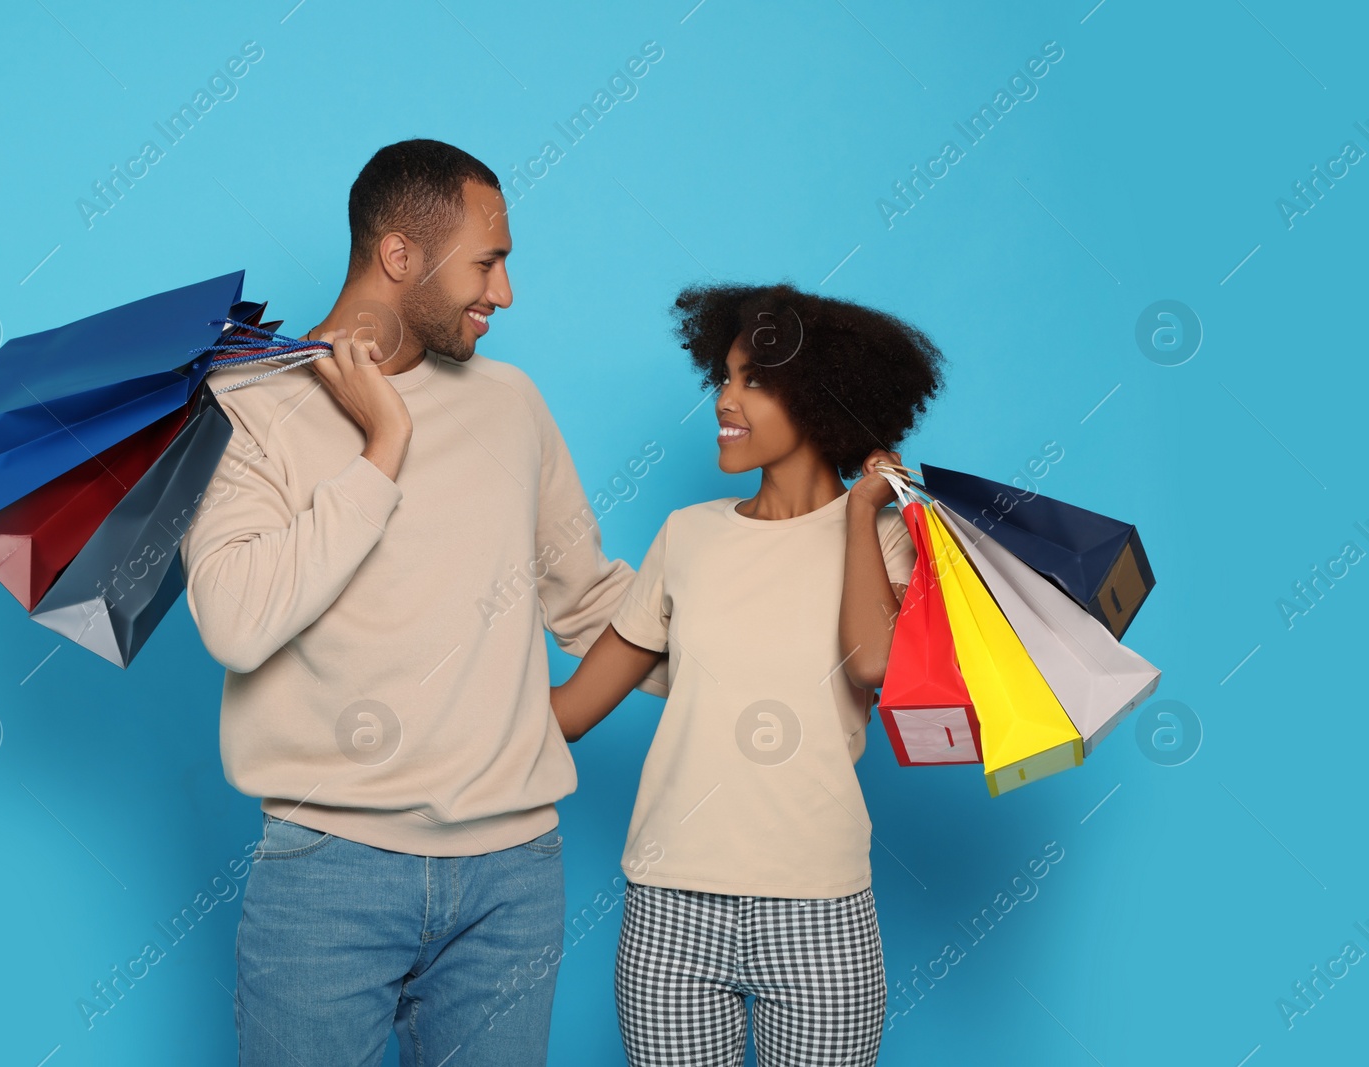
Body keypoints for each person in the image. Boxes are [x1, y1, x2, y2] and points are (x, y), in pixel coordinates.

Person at [178, 138, 668, 1067]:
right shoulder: (247, 405)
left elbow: (596, 604)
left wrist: (774, 622)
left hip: (513, 884)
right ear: (399, 255)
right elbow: (236, 623)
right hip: (328, 875)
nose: (505, 293)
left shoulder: (512, 403)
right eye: (489, 262)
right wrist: (383, 446)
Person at [550, 282, 945, 1066]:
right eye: (724, 377)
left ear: (825, 400)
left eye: (754, 380)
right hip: (670, 913)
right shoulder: (687, 535)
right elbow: (566, 712)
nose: (726, 399)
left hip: (821, 914)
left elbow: (873, 663)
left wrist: (862, 513)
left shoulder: (893, 540)